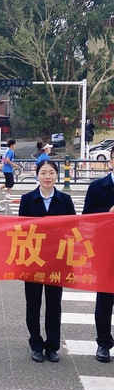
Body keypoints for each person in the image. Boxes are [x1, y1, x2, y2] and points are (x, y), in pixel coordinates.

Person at [19, 160, 75, 363]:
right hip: (32, 259)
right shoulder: (27, 199)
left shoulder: (65, 200)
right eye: (43, 172)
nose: (47, 176)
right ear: (37, 175)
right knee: (33, 304)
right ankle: (35, 344)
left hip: (57, 261)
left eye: (51, 172)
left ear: (57, 176)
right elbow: (21, 230)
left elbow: (72, 230)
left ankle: (52, 346)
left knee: (54, 305)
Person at [82, 146, 114, 363]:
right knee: (104, 299)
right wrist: (107, 215)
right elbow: (85, 218)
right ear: (111, 161)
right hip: (105, 251)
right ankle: (104, 343)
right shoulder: (97, 187)